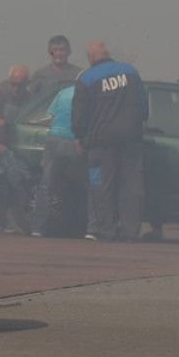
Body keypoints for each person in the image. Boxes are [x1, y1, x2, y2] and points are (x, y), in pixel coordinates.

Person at [71, 40, 148, 242]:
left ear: (91, 58)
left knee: (101, 186)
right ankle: (131, 232)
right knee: (131, 186)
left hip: (100, 143)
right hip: (132, 140)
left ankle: (107, 231)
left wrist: (80, 136)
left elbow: (79, 113)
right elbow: (143, 104)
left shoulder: (86, 77)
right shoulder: (130, 71)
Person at [0, 64, 33, 233]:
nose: (16, 89)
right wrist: (12, 126)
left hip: (13, 149)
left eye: (20, 85)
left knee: (13, 185)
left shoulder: (29, 97)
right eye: (13, 84)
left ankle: (8, 222)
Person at [29, 84, 82, 237]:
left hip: (55, 138)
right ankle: (88, 229)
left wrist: (45, 155)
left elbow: (51, 119)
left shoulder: (63, 93)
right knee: (86, 186)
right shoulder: (90, 93)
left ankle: (38, 229)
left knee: (46, 186)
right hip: (77, 141)